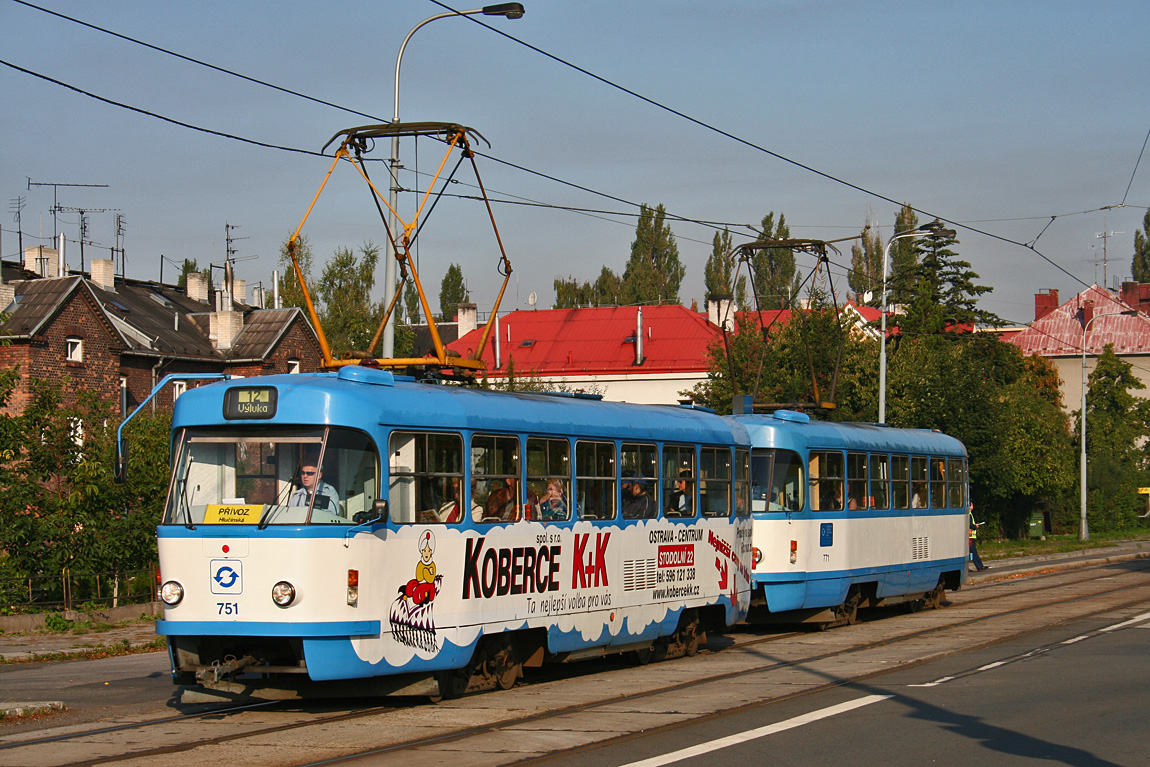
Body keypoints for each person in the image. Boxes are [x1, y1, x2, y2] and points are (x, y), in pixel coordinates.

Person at [969, 503, 988, 571]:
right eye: (972, 505)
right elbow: (970, 525)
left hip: (970, 536)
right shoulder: (969, 514)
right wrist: (975, 526)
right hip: (970, 536)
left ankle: (968, 567)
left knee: (969, 552)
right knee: (973, 551)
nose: (973, 506)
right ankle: (979, 566)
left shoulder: (968, 514)